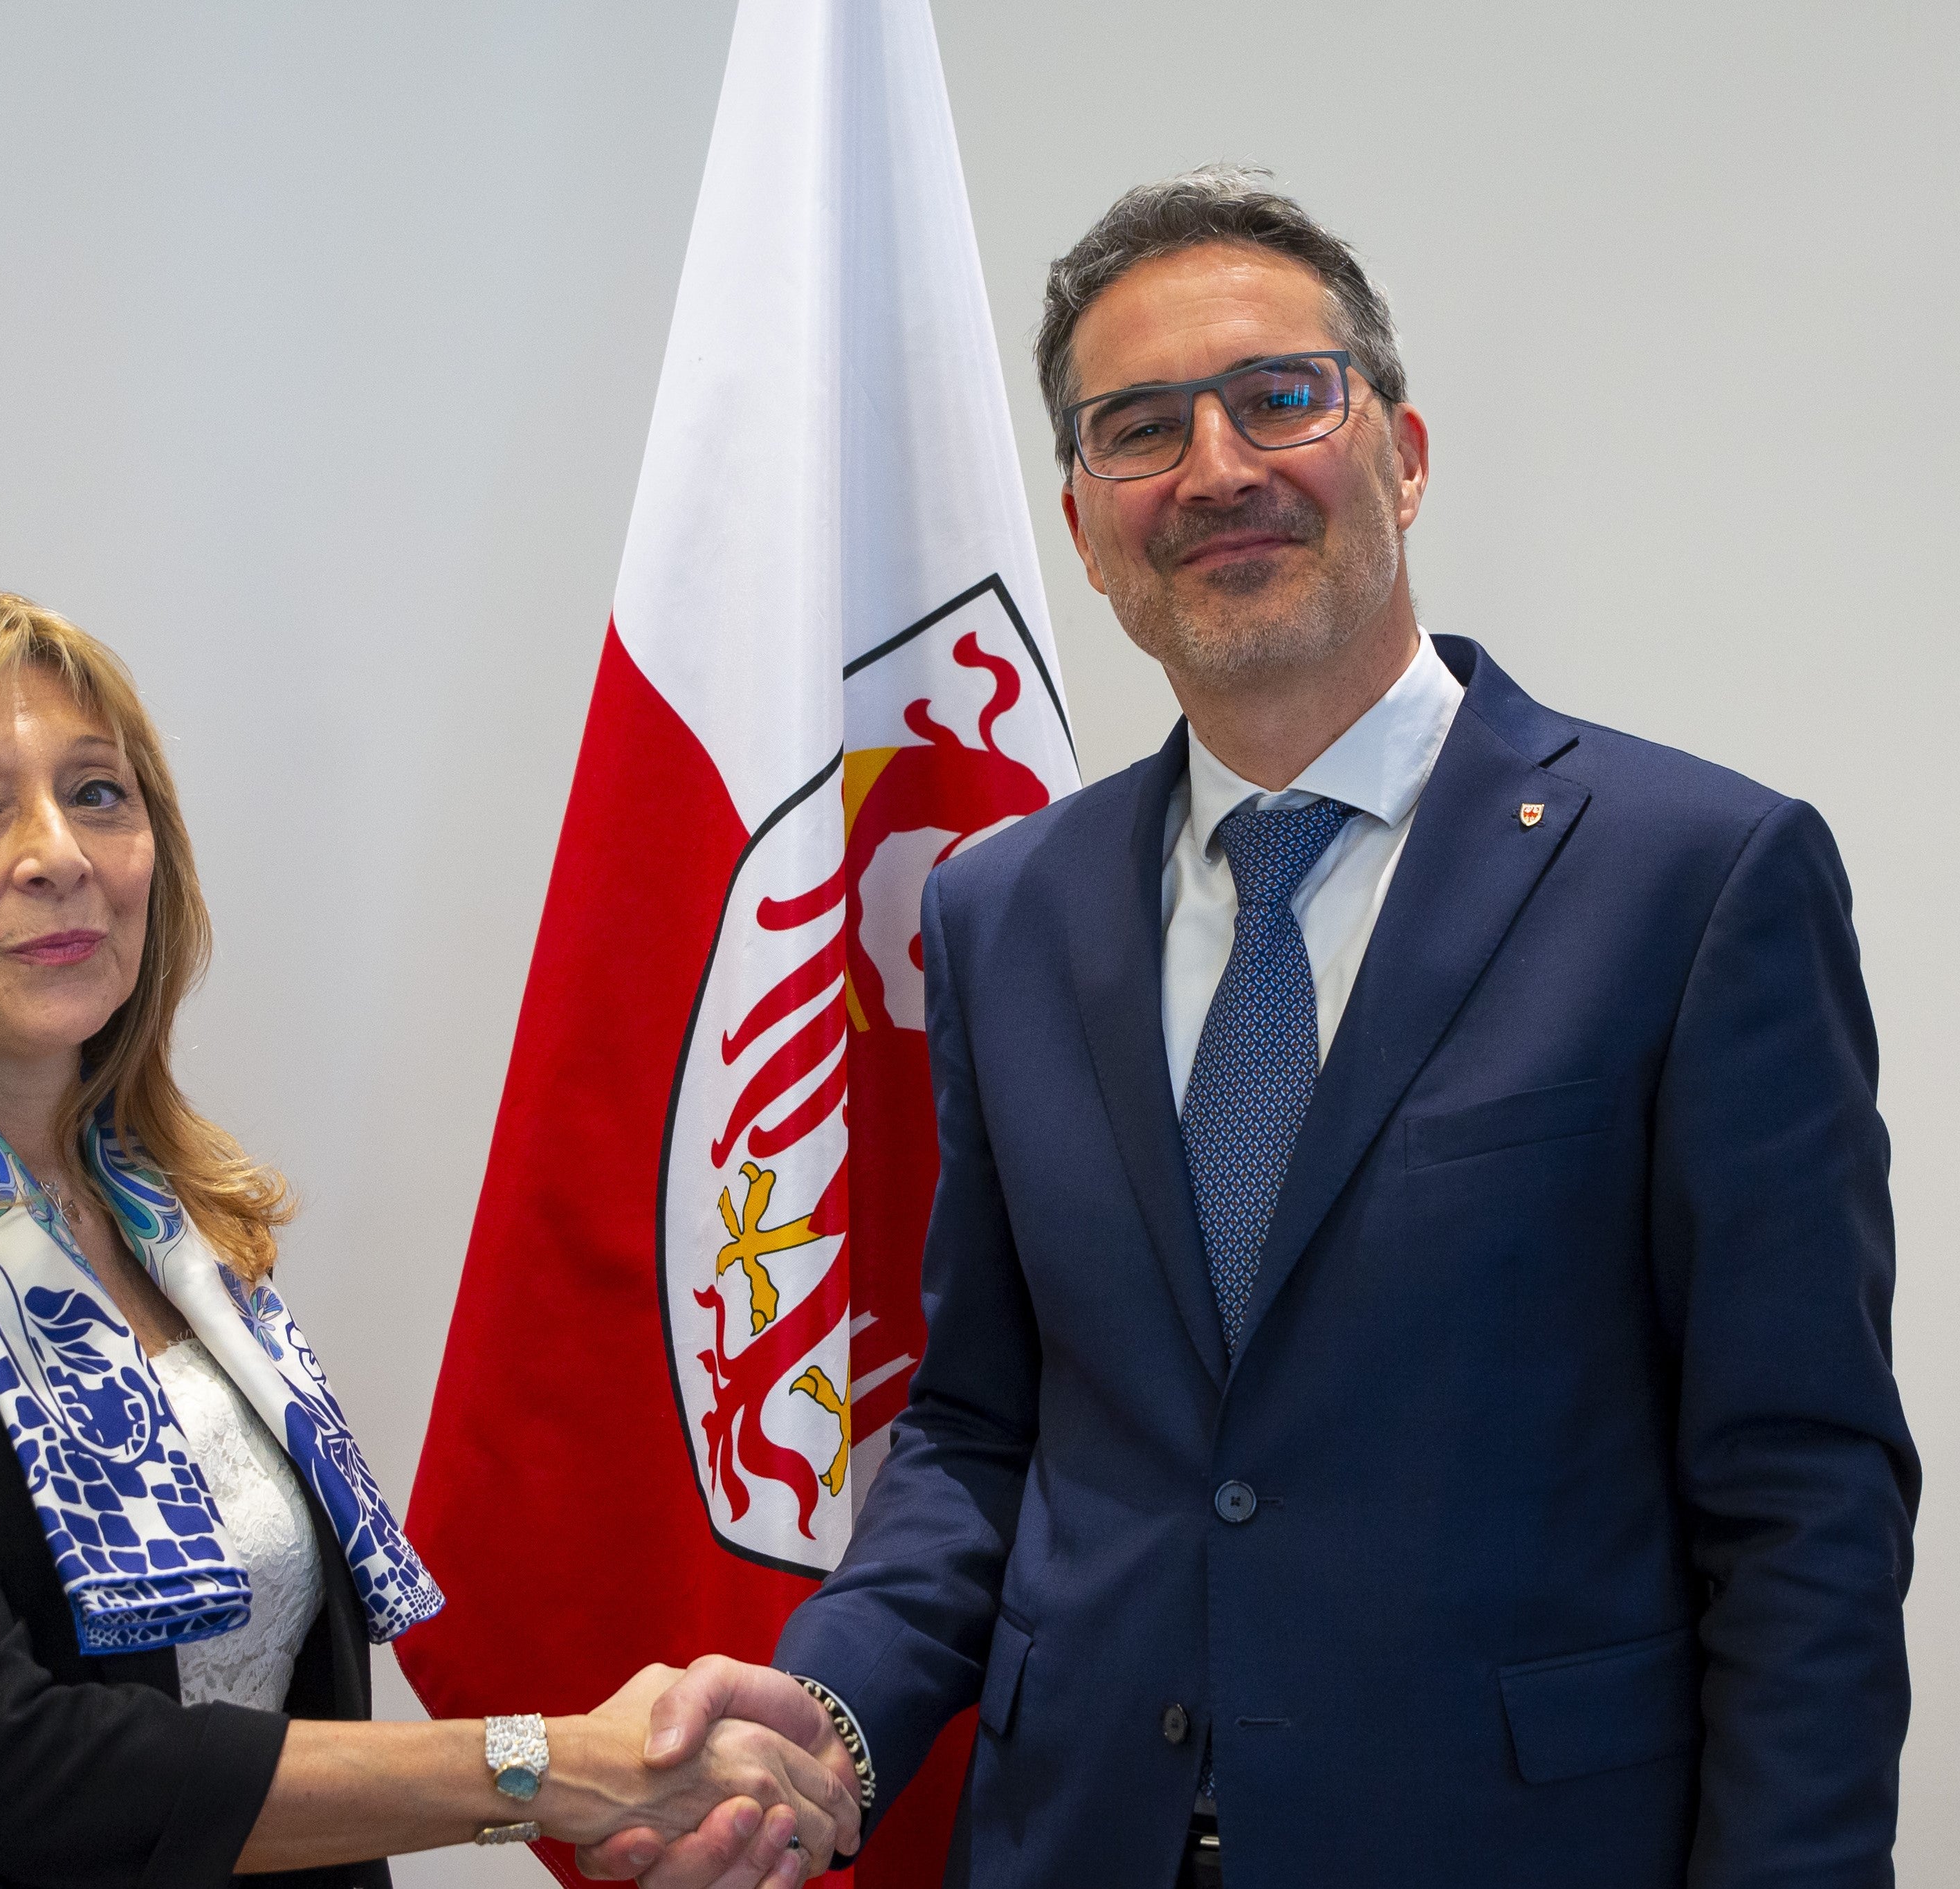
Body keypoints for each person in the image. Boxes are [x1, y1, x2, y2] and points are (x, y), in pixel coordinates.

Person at [580, 166, 1921, 1888]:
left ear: (1401, 454)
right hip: (1081, 1841)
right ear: (1081, 526)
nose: (1214, 469)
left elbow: (1798, 1495)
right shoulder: (1002, 912)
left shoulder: (1695, 878)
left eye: (1277, 397)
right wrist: (828, 1723)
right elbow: (984, 1430)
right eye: (1136, 428)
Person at [0, 585, 856, 1888]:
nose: (60, 853)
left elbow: (265, 1722)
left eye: (100, 792)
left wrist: (632, 1797)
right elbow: (7, 1759)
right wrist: (547, 1769)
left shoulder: (174, 1228)